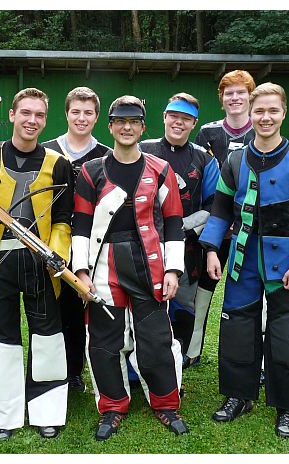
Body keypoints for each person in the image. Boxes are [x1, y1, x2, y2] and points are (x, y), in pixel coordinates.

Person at [198, 82, 289, 438]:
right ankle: (239, 396)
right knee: (237, 330)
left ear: (283, 113)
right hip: (243, 262)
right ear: (251, 114)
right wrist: (211, 249)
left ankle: (287, 406)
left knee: (287, 333)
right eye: (260, 111)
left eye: (273, 110)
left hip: (286, 265)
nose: (265, 117)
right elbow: (221, 209)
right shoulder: (235, 160)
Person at [72, 95, 188, 441]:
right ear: (110, 127)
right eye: (120, 121)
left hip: (150, 263)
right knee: (104, 341)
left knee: (156, 339)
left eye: (133, 122)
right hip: (104, 265)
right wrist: (81, 272)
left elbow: (174, 222)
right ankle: (111, 406)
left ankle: (166, 404)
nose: (126, 127)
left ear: (142, 127)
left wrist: (173, 269)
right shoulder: (91, 171)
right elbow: (81, 225)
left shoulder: (161, 169)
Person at [0, 88, 74, 440]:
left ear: (45, 120)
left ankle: (47, 411)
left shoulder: (58, 163)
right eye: (25, 113)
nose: (32, 120)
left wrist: (56, 254)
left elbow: (63, 220)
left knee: (47, 339)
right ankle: (3, 417)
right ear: (12, 114)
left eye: (39, 115)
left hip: (40, 264)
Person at [140, 93, 219, 367]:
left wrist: (180, 229)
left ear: (194, 123)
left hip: (188, 248)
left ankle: (179, 360)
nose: (178, 122)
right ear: (164, 117)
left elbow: (213, 205)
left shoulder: (205, 159)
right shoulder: (143, 149)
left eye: (186, 118)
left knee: (183, 303)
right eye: (174, 116)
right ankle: (143, 360)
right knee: (145, 302)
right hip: (144, 244)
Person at [42, 86, 110, 392]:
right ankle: (46, 371)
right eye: (76, 112)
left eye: (88, 113)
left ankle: (74, 370)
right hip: (49, 242)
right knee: (48, 309)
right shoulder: (46, 151)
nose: (81, 118)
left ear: (96, 117)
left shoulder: (106, 155)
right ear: (66, 114)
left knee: (79, 308)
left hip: (90, 243)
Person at [190, 70, 257, 366]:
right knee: (202, 289)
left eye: (241, 92)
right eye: (229, 93)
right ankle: (192, 349)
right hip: (213, 229)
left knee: (250, 292)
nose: (235, 98)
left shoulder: (262, 129)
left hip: (249, 229)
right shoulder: (208, 132)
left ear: (251, 97)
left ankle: (254, 357)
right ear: (221, 99)